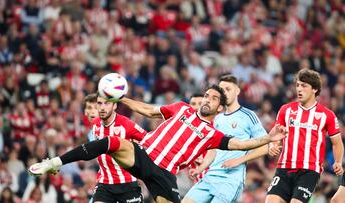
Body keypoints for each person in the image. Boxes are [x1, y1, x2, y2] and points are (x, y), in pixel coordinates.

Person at [29, 84, 287, 203]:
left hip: (164, 174)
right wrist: (123, 99)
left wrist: (269, 138)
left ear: (220, 107)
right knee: (111, 141)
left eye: (212, 98)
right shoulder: (181, 109)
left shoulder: (212, 133)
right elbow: (149, 111)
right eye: (206, 95)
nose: (206, 99)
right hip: (144, 155)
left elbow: (241, 145)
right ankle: (55, 162)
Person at [183, 75, 270, 203]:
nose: (224, 93)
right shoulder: (218, 118)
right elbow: (214, 149)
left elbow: (265, 146)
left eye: (228, 89)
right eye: (222, 90)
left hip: (230, 180)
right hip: (210, 176)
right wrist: (200, 169)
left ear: (238, 91)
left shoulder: (248, 116)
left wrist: (239, 160)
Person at [265, 69, 344, 203]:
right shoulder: (286, 110)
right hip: (284, 168)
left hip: (309, 171)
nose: (299, 89)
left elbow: (337, 142)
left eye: (304, 86)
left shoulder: (327, 115)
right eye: (297, 85)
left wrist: (337, 161)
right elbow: (275, 135)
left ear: (314, 89)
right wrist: (272, 145)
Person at [83, 93, 147, 203]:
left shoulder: (127, 124)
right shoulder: (95, 125)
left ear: (115, 106)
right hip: (105, 184)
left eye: (107, 103)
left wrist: (142, 169)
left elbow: (148, 141)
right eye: (99, 103)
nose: (102, 107)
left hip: (128, 184)